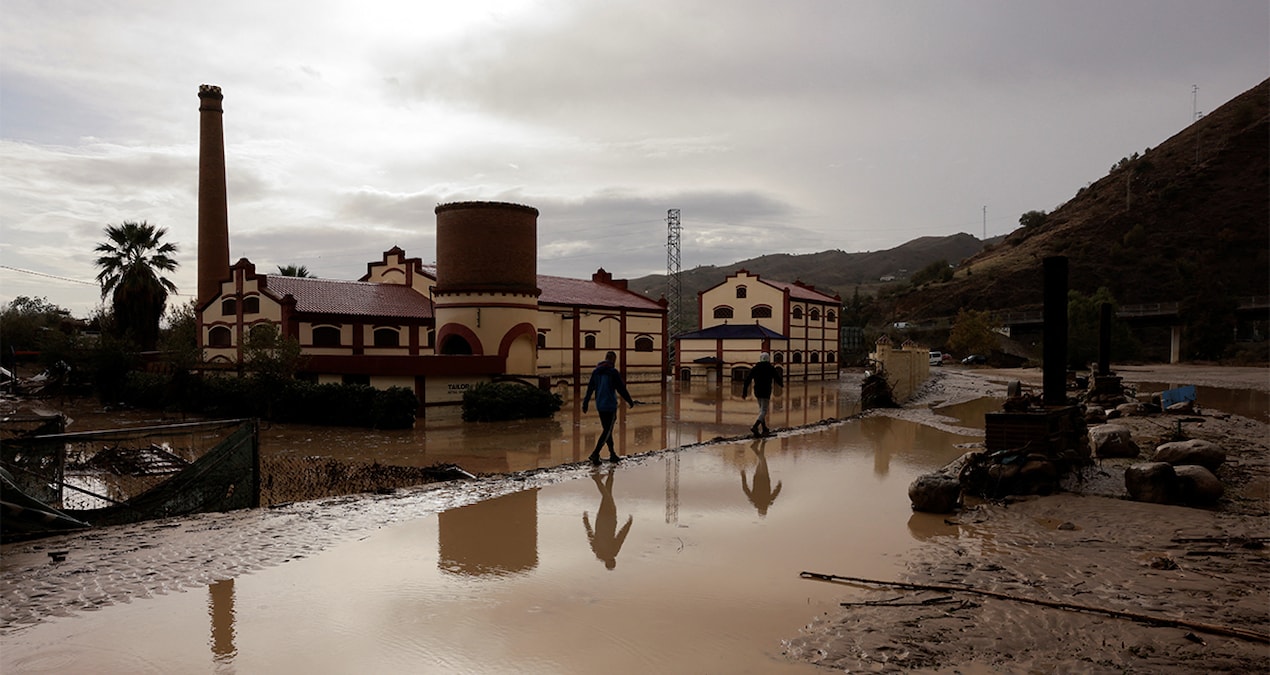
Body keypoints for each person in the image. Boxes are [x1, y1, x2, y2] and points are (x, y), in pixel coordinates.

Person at [581, 350, 635, 464]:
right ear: (614, 360)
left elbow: (590, 388)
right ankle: (595, 454)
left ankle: (612, 454)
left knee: (607, 430)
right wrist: (630, 401)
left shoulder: (596, 372)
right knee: (607, 431)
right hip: (610, 405)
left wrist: (585, 403)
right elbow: (621, 389)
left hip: (600, 405)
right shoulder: (613, 372)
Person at [742, 352, 782, 436]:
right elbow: (777, 378)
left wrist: (744, 392)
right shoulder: (771, 368)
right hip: (766, 391)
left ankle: (764, 428)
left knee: (761, 409)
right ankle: (755, 426)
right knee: (764, 410)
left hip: (757, 391)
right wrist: (781, 384)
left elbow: (747, 380)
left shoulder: (755, 368)